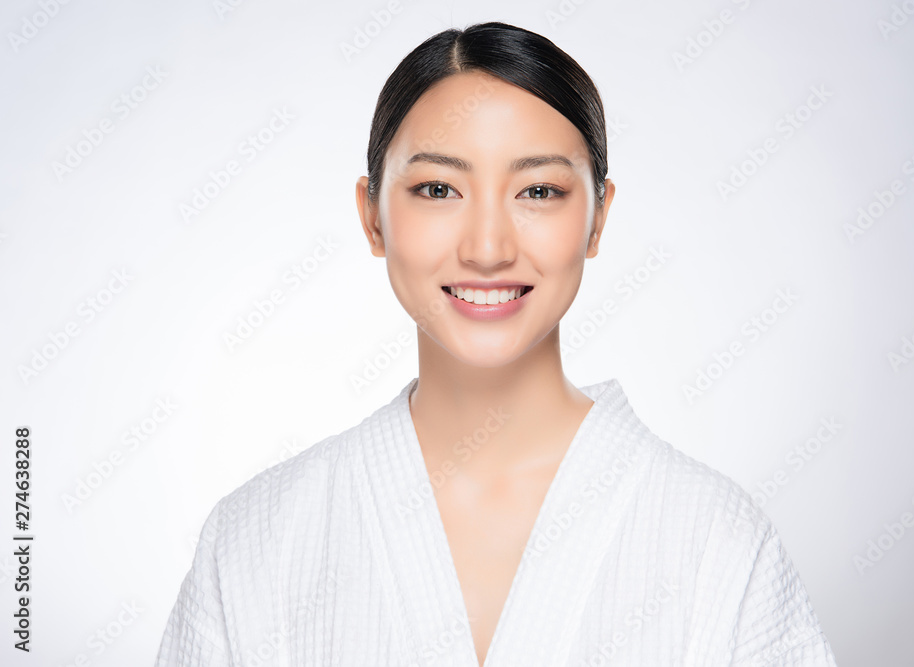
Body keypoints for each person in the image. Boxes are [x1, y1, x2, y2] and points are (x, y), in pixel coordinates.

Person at [156, 21, 837, 666]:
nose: (487, 248)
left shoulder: (719, 541)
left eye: (538, 190)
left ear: (598, 218)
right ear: (372, 216)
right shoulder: (254, 541)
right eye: (437, 188)